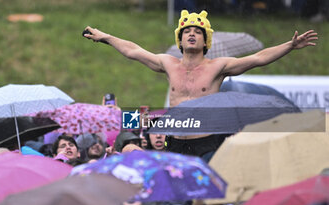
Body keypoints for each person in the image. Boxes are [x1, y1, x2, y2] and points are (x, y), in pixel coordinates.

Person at [83, 10, 318, 159]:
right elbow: (133, 50)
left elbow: (258, 58)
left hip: (207, 143)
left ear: (206, 41)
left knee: (207, 198)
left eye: (198, 32)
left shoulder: (218, 66)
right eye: (187, 32)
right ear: (180, 40)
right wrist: (106, 37)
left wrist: (289, 45)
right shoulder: (168, 63)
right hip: (173, 142)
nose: (192, 34)